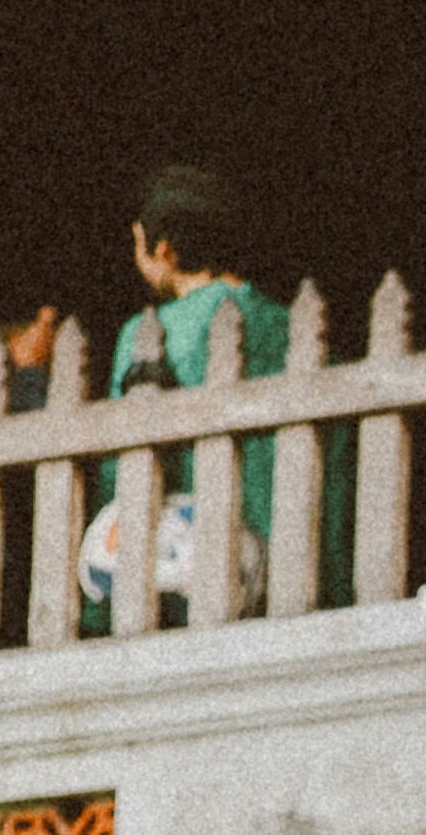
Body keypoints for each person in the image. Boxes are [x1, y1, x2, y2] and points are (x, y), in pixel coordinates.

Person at [81, 158, 292, 619]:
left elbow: (126, 463)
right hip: (289, 559)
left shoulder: (151, 329)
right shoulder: (284, 321)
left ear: (164, 249)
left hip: (194, 565)